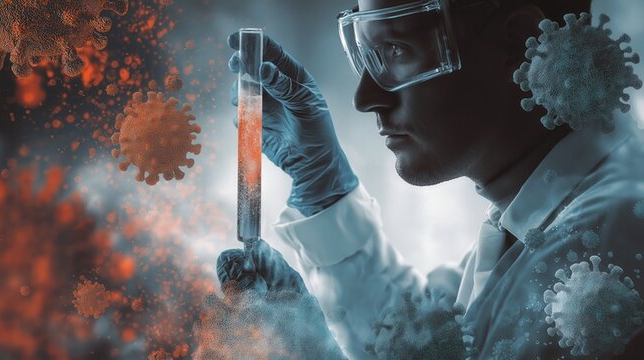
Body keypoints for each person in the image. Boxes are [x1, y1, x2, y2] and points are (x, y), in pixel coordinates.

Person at [218, 0, 644, 358]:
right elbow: (431, 341)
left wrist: (305, 348)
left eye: (397, 50)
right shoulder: (543, 217)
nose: (367, 98)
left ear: (519, 45)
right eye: (367, 56)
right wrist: (323, 184)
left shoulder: (611, 240)